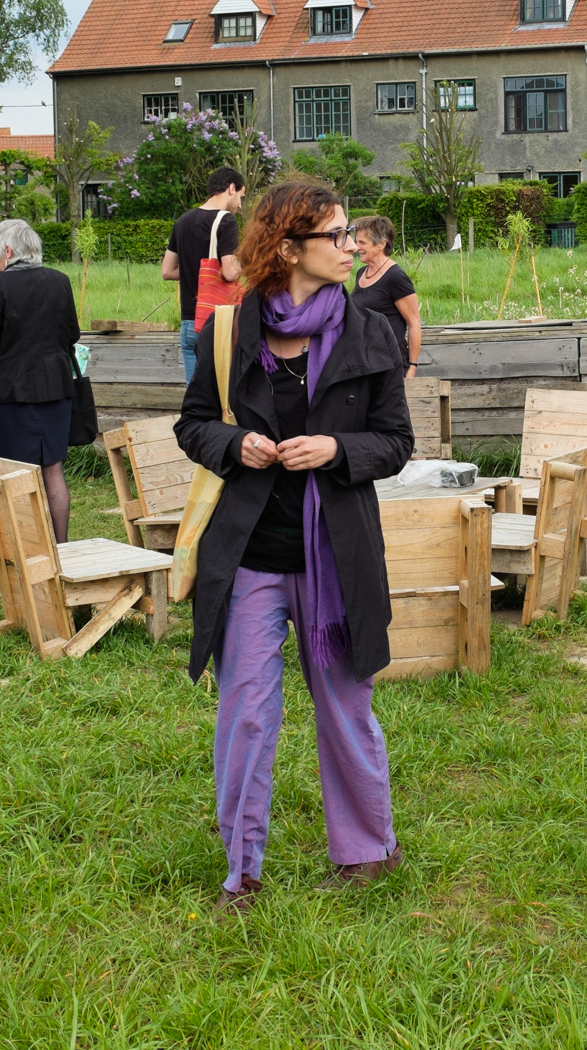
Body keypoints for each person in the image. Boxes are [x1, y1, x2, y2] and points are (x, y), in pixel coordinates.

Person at [174, 181, 412, 913]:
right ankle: (241, 868)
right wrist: (233, 443)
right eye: (335, 236)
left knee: (344, 705)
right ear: (287, 249)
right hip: (250, 553)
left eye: (349, 234)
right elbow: (191, 424)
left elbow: (396, 442)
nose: (351, 247)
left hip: (335, 557)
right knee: (245, 713)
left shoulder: (371, 332)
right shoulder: (228, 329)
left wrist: (336, 448)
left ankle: (368, 850)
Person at [0, 219, 80, 542]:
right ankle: (61, 545)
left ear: (8, 251)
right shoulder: (60, 281)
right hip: (56, 387)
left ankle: (29, 547)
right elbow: (73, 334)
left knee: (18, 471)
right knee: (53, 468)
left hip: (14, 391)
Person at [164, 167, 246, 382]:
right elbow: (230, 272)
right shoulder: (225, 220)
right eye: (241, 196)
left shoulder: (182, 222)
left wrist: (194, 270)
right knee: (222, 392)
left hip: (188, 323)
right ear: (231, 188)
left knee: (195, 392)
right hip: (215, 322)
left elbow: (167, 271)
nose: (240, 204)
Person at [347, 215, 420, 377]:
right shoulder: (361, 273)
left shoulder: (396, 277)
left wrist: (412, 367)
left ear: (381, 244)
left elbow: (414, 323)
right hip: (365, 362)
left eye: (362, 242)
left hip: (390, 363)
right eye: (356, 242)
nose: (357, 247)